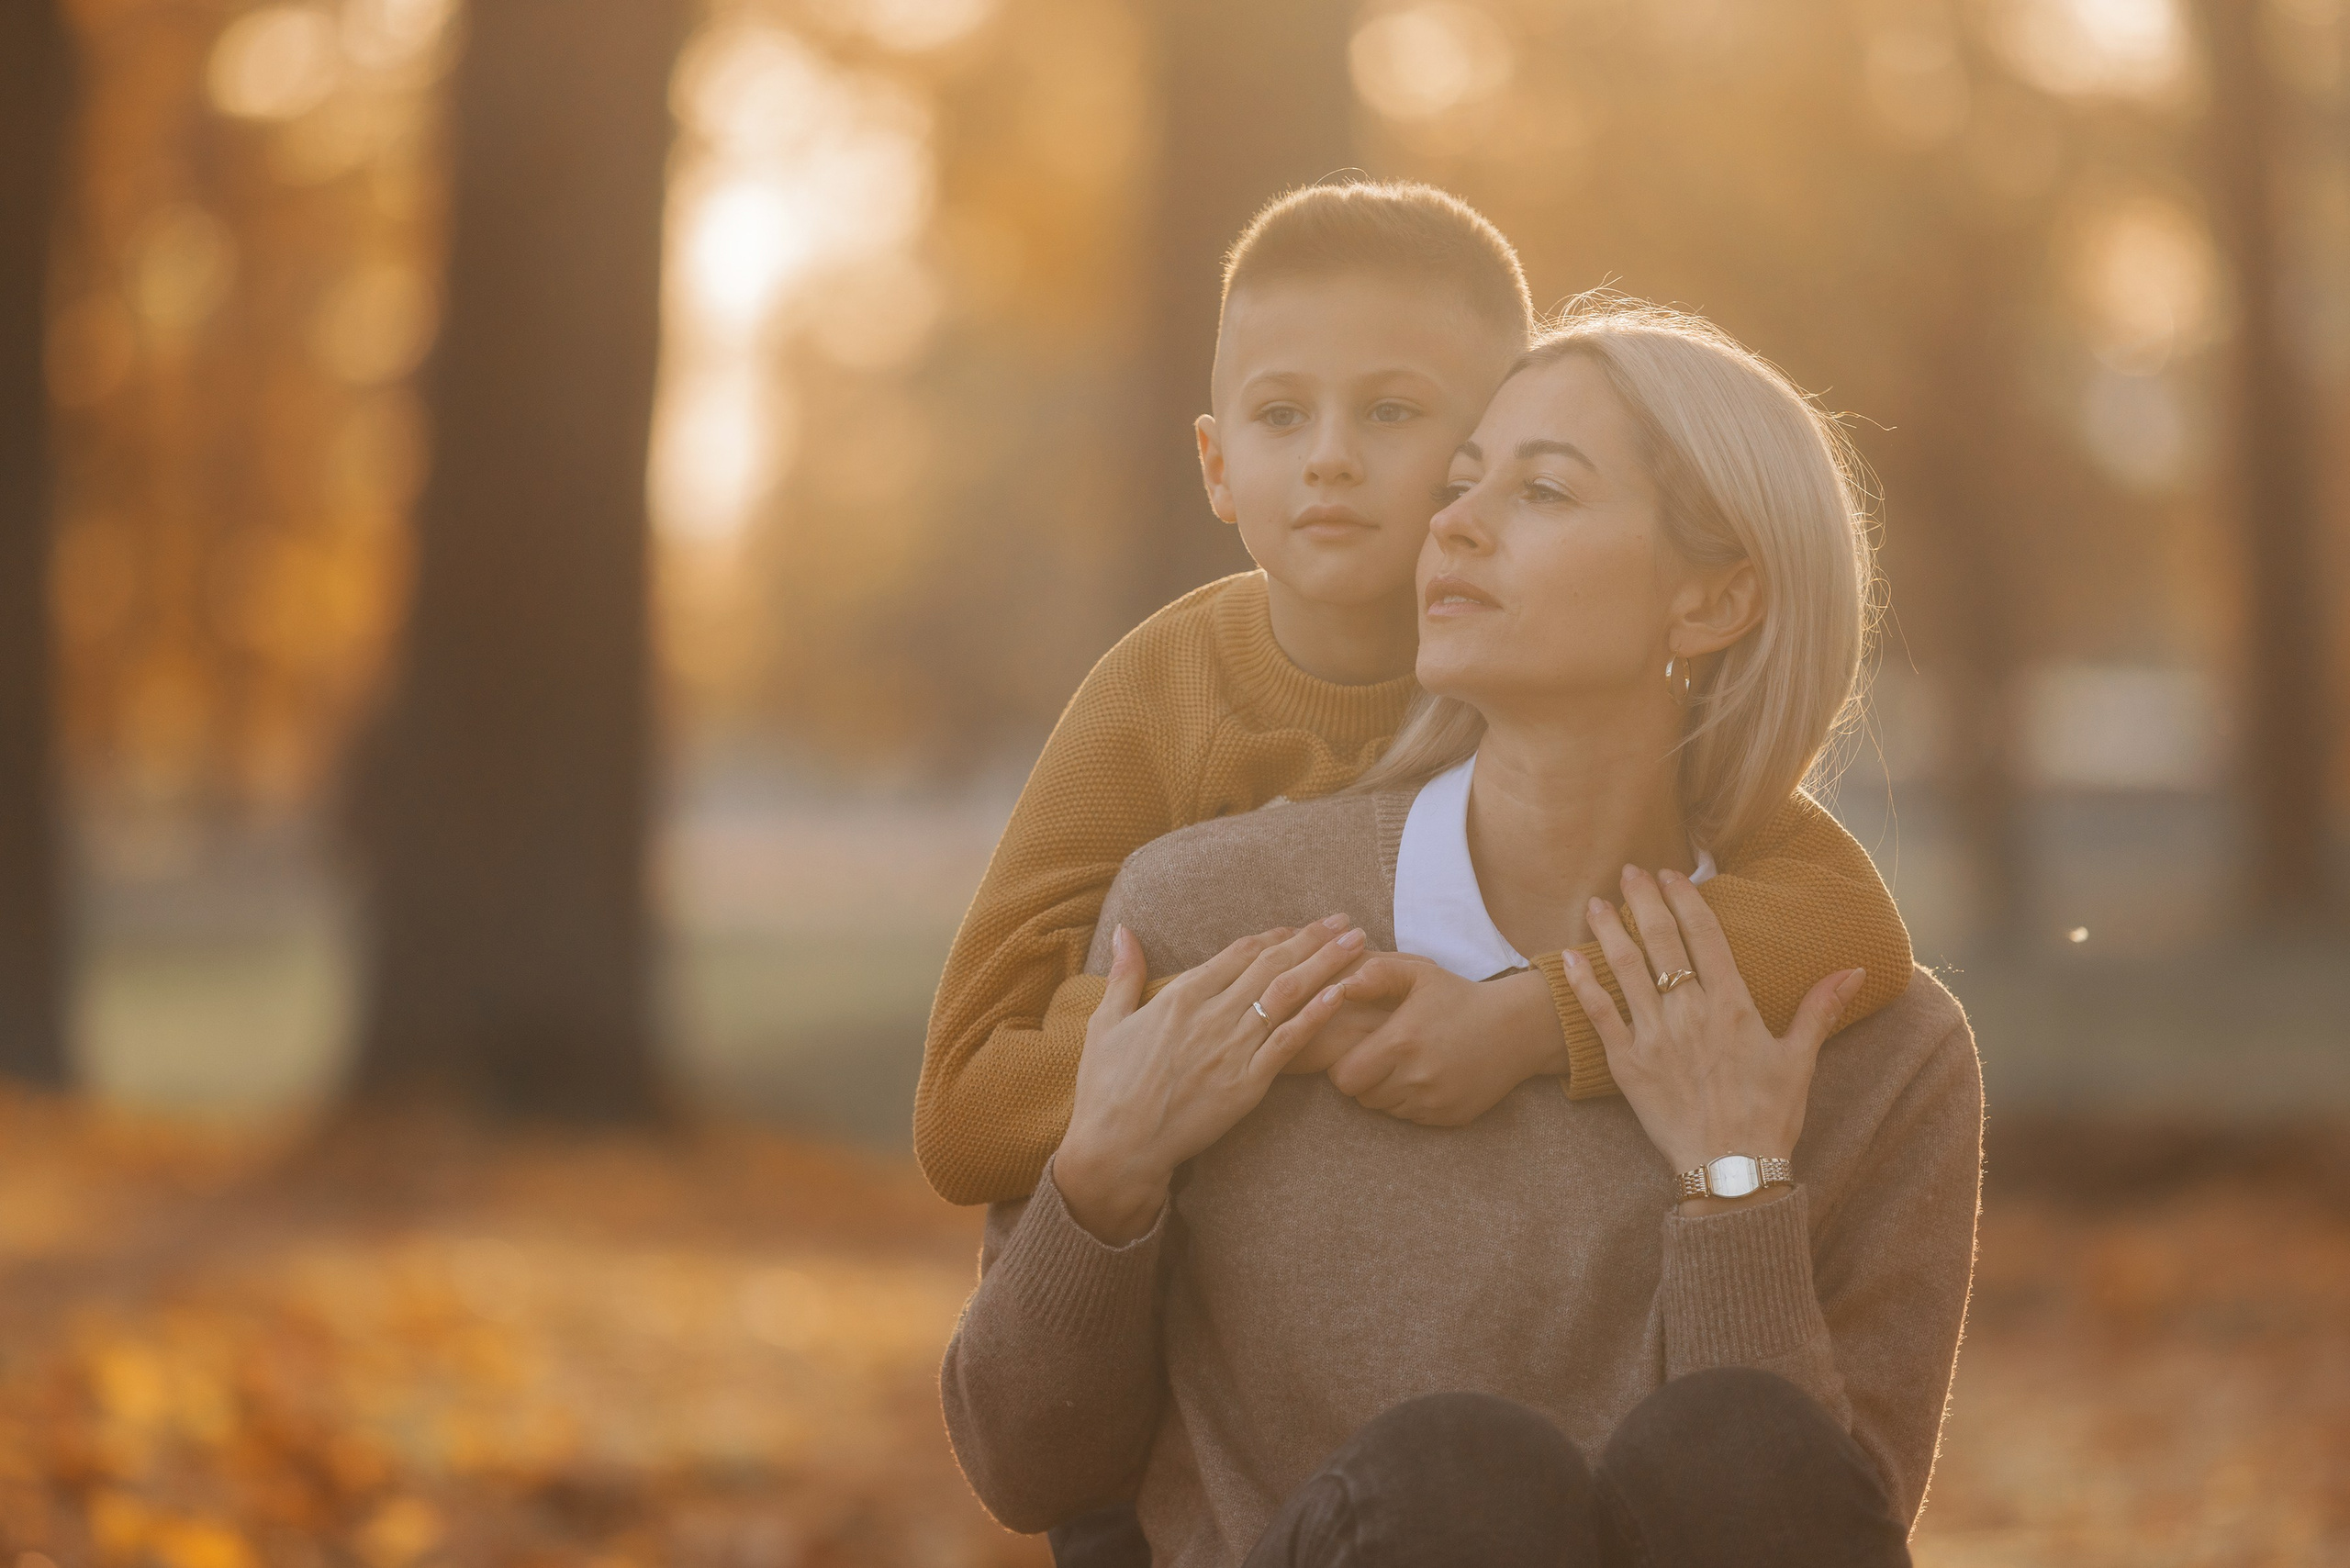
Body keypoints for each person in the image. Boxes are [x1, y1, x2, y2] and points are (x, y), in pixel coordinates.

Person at [940, 301, 1983, 1567]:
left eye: (1541, 492)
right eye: (1460, 481)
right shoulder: (1212, 919)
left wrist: (1734, 1187)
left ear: (1714, 599)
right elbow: (1023, 1466)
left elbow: (1818, 1525)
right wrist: (1100, 1180)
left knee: (1742, 1446)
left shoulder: (1877, 1051)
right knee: (1464, 1482)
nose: (1452, 525)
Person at [913, 183, 1914, 1223]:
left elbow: (1843, 923)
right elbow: (965, 1101)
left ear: (1491, 435)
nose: (1331, 456)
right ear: (1215, 465)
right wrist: (1270, 1015)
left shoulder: (1532, 665)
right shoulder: (1161, 691)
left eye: (1391, 412)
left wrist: (1529, 1021)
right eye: (1280, 414)